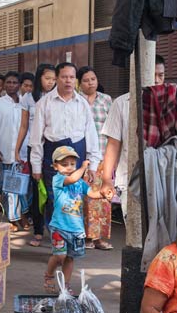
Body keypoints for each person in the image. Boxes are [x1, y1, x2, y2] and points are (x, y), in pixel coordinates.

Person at [29, 63, 101, 221]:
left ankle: (72, 237)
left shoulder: (82, 104)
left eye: (71, 77)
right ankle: (58, 238)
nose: (68, 81)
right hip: (53, 158)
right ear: (57, 79)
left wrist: (93, 165)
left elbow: (91, 135)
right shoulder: (44, 103)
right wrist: (36, 166)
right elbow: (36, 139)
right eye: (64, 77)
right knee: (55, 199)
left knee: (75, 200)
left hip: (78, 158)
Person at [98, 57, 168, 212]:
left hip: (165, 179)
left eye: (161, 75)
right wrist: (107, 179)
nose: (157, 80)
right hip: (130, 180)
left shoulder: (171, 101)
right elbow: (114, 143)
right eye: (152, 75)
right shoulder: (122, 103)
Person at [45, 146, 102, 291]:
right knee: (59, 256)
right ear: (55, 166)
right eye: (64, 165)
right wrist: (83, 167)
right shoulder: (58, 179)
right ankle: (49, 275)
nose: (69, 167)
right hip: (59, 226)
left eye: (72, 164)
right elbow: (72, 178)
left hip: (76, 230)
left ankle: (65, 285)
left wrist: (103, 193)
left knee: (70, 258)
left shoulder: (80, 183)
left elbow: (91, 193)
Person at [14, 64, 57, 246]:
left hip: (54, 148)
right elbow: (24, 126)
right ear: (39, 78)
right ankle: (38, 231)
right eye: (48, 79)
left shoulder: (57, 97)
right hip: (35, 148)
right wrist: (17, 149)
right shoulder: (29, 98)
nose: (51, 82)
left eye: (54, 79)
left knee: (54, 190)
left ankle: (55, 230)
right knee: (38, 190)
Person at [0, 72, 28, 230]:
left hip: (23, 154)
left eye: (14, 82)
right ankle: (12, 219)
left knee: (22, 188)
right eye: (8, 82)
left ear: (19, 85)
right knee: (9, 187)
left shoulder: (26, 103)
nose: (11, 85)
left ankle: (22, 215)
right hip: (3, 153)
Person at [78, 65, 113, 250]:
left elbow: (114, 128)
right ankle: (85, 238)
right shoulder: (76, 100)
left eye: (93, 79)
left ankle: (99, 238)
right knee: (83, 198)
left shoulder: (106, 100)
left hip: (103, 156)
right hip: (82, 158)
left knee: (102, 199)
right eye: (86, 80)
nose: (90, 83)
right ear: (79, 83)